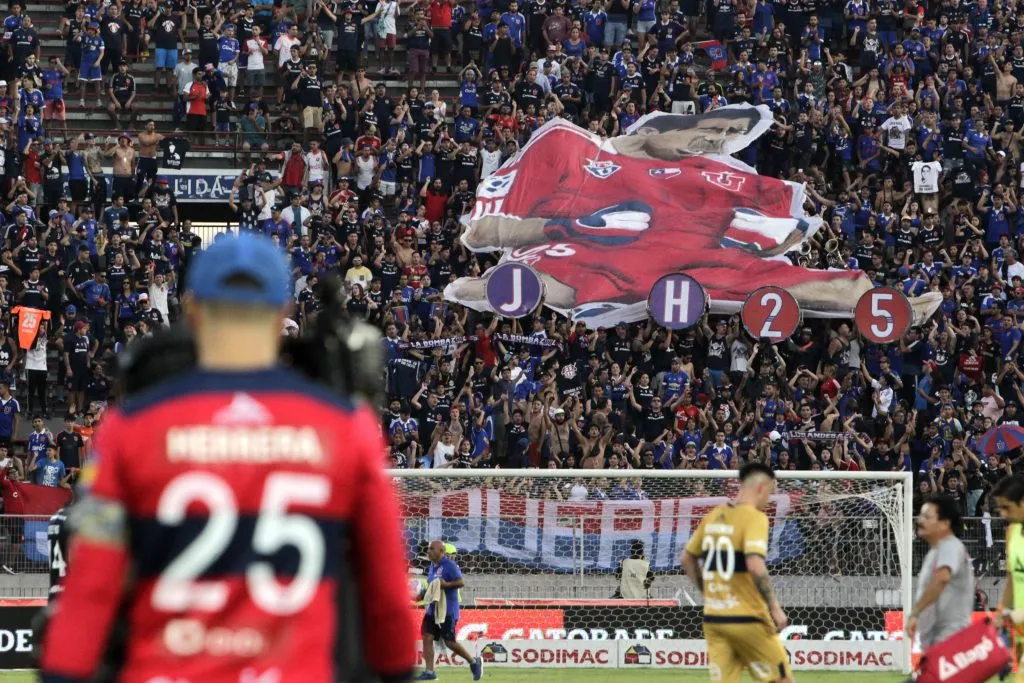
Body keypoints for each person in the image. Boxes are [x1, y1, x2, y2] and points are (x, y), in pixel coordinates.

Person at [39, 233, 417, 683]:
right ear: (284, 313)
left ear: (192, 309)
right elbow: (388, 596)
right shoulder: (343, 425)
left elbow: (90, 590)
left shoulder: (131, 426)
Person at [680, 462, 794, 683]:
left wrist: (709, 593)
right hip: (747, 618)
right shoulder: (754, 517)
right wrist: (775, 608)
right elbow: (754, 564)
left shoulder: (713, 516)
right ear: (761, 488)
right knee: (782, 680)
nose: (769, 499)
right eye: (770, 492)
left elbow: (686, 558)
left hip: (715, 619)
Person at [906, 494, 974, 648]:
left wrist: (915, 612)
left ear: (944, 523)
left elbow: (942, 578)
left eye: (926, 516)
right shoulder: (938, 550)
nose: (919, 521)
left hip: (948, 640)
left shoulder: (949, 545)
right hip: (939, 639)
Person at [416, 539, 483, 681]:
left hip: (447, 610)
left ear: (441, 551)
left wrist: (445, 585)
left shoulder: (450, 565)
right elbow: (433, 586)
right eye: (428, 549)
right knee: (427, 637)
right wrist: (422, 594)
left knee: (449, 642)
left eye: (432, 549)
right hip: (433, 609)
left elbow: (461, 582)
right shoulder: (432, 566)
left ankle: (473, 662)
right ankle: (429, 672)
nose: (428, 551)